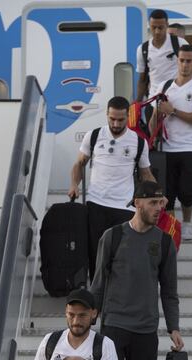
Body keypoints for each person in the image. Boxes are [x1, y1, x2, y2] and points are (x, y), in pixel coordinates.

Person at [90, 180, 184, 360]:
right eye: (154, 203)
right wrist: (89, 321)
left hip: (145, 330)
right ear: (138, 203)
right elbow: (98, 283)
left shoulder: (164, 241)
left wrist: (174, 327)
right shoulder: (113, 236)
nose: (159, 209)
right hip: (114, 327)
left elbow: (169, 290)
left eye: (162, 203)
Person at [68, 96, 155, 282]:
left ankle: (119, 295)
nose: (116, 123)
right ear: (107, 115)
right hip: (96, 203)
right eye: (112, 119)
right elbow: (79, 164)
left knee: (121, 256)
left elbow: (146, 174)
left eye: (120, 119)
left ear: (127, 117)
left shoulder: (138, 142)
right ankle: (96, 297)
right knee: (96, 253)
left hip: (124, 207)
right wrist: (74, 185)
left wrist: (158, 196)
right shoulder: (93, 136)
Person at [150, 45, 192, 240]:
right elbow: (154, 118)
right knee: (166, 195)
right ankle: (170, 228)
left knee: (187, 191)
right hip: (166, 148)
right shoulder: (164, 86)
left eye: (189, 61)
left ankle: (187, 222)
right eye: (182, 60)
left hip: (190, 147)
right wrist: (152, 134)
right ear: (176, 61)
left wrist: (173, 111)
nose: (185, 64)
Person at [136, 9, 192, 102]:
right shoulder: (143, 49)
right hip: (154, 100)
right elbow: (142, 80)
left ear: (167, 25)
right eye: (153, 27)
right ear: (149, 25)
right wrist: (138, 102)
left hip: (178, 99)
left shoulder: (179, 43)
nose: (157, 31)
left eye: (160, 27)